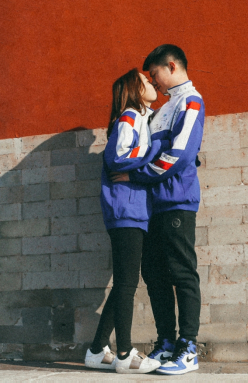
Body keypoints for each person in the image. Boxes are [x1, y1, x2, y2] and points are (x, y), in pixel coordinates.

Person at [111, 45, 204, 375]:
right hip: (152, 206)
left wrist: (136, 175)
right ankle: (166, 342)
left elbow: (179, 155)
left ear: (172, 65)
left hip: (176, 201)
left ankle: (188, 346)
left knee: (182, 271)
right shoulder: (162, 109)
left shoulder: (191, 101)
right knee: (154, 275)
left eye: (155, 75)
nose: (155, 81)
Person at [85, 69, 162, 374]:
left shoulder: (139, 117)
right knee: (127, 284)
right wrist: (155, 150)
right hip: (125, 209)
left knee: (124, 284)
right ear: (134, 90)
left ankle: (96, 350)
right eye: (145, 81)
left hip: (132, 210)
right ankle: (125, 354)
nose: (151, 84)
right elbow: (118, 157)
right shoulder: (129, 116)